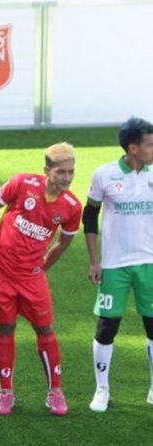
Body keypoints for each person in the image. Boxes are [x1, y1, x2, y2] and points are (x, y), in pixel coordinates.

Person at [0, 142, 82, 416]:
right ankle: (6, 392)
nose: (67, 178)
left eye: (71, 172)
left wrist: (42, 267)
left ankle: (55, 392)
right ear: (46, 170)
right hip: (1, 270)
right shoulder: (22, 184)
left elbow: (63, 242)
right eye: (61, 172)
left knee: (45, 329)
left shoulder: (71, 206)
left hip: (31, 276)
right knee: (6, 328)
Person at [83, 117, 153, 413]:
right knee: (107, 327)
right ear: (133, 148)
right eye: (150, 144)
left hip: (150, 263)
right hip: (114, 266)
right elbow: (89, 216)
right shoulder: (104, 175)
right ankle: (102, 389)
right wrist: (94, 260)